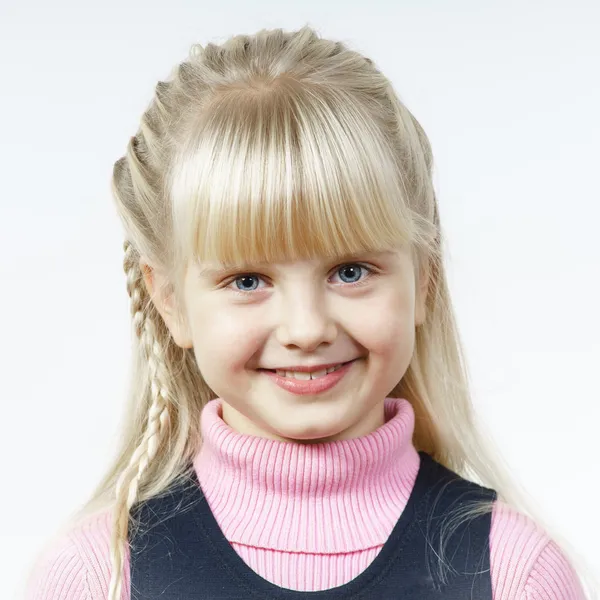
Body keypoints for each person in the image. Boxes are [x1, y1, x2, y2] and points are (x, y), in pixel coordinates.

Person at [24, 24, 596, 600]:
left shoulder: (514, 573)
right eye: (247, 280)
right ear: (169, 301)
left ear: (424, 276)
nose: (306, 329)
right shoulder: (99, 575)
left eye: (350, 271)